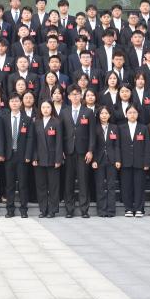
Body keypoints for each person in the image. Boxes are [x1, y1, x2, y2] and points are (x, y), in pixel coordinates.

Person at [62, 87, 94, 218]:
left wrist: (90, 150)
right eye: (72, 94)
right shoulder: (64, 112)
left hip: (83, 151)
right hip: (68, 151)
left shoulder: (88, 112)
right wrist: (61, 150)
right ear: (69, 97)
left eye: (77, 94)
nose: (75, 96)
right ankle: (69, 210)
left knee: (83, 181)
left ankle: (84, 209)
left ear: (81, 96)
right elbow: (61, 133)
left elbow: (92, 133)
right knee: (68, 182)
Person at [32, 100, 63, 218]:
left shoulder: (57, 122)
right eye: (43, 107)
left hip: (53, 158)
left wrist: (58, 159)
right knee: (41, 186)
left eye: (48, 107)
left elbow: (59, 142)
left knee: (53, 186)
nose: (45, 110)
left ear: (52, 109)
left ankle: (53, 210)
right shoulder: (36, 122)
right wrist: (34, 157)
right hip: (39, 158)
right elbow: (34, 142)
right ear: (40, 109)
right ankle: (43, 209)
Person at [118, 104, 150, 217]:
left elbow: (147, 146)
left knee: (139, 186)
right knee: (126, 186)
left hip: (140, 162)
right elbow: (118, 146)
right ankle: (128, 209)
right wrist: (118, 160)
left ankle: (139, 208)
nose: (132, 115)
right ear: (126, 114)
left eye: (134, 112)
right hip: (125, 162)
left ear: (138, 114)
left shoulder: (143, 128)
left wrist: (146, 162)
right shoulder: (120, 128)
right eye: (130, 112)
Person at [91, 106, 119, 218]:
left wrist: (118, 159)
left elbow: (117, 145)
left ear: (109, 115)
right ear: (98, 115)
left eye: (106, 113)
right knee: (100, 186)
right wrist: (94, 160)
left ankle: (111, 210)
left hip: (112, 160)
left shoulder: (114, 127)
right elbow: (93, 145)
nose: (104, 115)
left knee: (111, 186)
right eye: (102, 113)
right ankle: (102, 210)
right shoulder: (95, 128)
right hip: (99, 160)